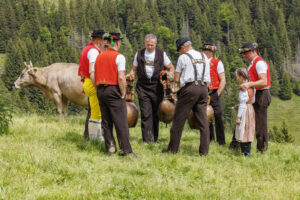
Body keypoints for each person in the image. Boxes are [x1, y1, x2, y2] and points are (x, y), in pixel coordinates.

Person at [94, 32, 137, 157]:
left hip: (100, 90)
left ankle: (110, 148)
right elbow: (121, 78)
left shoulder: (99, 57)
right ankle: (126, 150)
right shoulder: (119, 57)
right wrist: (123, 92)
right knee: (121, 121)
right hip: (113, 89)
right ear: (117, 43)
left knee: (106, 121)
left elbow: (95, 74)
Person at [165, 37, 210, 155]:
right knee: (203, 122)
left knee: (178, 120)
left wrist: (171, 81)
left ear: (183, 47)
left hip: (190, 89)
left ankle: (172, 150)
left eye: (179, 49)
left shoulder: (183, 57)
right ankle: (204, 152)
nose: (179, 52)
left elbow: (177, 78)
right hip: (204, 88)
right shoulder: (204, 56)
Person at [129, 34, 175, 143]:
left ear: (155, 44)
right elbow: (134, 69)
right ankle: (147, 140)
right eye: (148, 44)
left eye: (152, 45)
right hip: (143, 87)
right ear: (145, 43)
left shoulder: (161, 54)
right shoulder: (139, 54)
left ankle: (154, 138)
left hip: (157, 87)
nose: (150, 47)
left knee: (155, 113)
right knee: (145, 114)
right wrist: (130, 76)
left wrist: (168, 75)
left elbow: (171, 68)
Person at [239, 42, 271, 153]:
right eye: (243, 54)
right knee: (253, 121)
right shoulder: (253, 63)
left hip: (262, 94)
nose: (244, 56)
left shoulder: (259, 63)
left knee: (260, 124)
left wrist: (248, 85)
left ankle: (262, 150)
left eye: (246, 53)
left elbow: (263, 81)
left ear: (253, 51)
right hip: (257, 94)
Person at [78, 29, 106, 141]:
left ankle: (94, 136)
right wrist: (96, 86)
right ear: (99, 40)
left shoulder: (87, 49)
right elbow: (92, 70)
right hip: (92, 82)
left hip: (87, 82)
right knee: (96, 112)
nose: (105, 42)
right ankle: (95, 138)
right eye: (103, 39)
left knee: (94, 110)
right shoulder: (94, 51)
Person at [200, 42, 226, 145]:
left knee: (218, 115)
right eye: (204, 50)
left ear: (211, 52)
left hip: (214, 92)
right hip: (204, 92)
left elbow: (223, 80)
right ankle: (209, 139)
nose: (204, 52)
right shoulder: (200, 62)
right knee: (206, 116)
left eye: (207, 50)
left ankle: (221, 141)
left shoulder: (217, 62)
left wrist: (218, 93)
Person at [235, 68, 255, 156]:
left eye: (237, 77)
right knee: (248, 129)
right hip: (250, 108)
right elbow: (251, 99)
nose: (237, 79)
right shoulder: (250, 85)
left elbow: (243, 104)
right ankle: (246, 153)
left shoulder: (244, 87)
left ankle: (246, 153)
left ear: (241, 77)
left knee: (243, 130)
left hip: (245, 110)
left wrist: (238, 117)